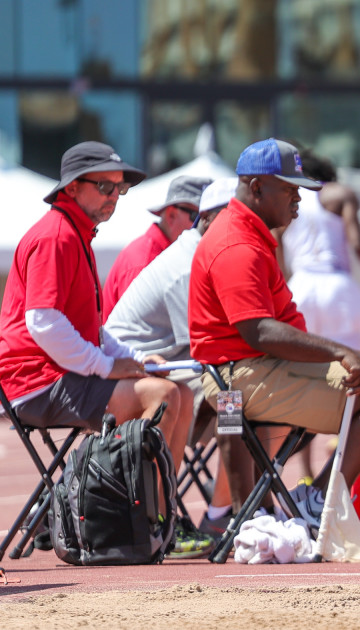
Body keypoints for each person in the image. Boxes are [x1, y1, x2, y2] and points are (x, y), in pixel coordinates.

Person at [0, 141, 211, 557]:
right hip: (35, 383)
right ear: (72, 188)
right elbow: (44, 322)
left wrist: (138, 360)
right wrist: (106, 365)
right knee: (164, 395)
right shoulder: (57, 235)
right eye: (105, 187)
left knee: (178, 391)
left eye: (119, 189)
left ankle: (162, 520)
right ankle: (144, 522)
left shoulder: (76, 234)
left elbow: (89, 327)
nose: (115, 196)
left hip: (53, 375)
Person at [188, 138, 360, 523]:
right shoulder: (236, 243)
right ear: (257, 187)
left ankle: (251, 509)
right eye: (290, 190)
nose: (299, 200)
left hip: (244, 373)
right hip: (240, 376)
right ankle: (317, 500)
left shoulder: (249, 234)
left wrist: (341, 351)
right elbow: (260, 332)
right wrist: (340, 352)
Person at [103, 176, 238, 534]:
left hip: (162, 365)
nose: (244, 231)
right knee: (236, 398)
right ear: (207, 219)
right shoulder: (188, 265)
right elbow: (206, 345)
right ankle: (212, 513)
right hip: (131, 372)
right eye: (237, 221)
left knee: (236, 395)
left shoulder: (201, 253)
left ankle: (221, 507)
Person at [282, 149, 360, 353]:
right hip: (335, 284)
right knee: (350, 360)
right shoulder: (339, 193)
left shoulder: (286, 201)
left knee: (305, 363)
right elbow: (358, 244)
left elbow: (275, 247)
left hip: (299, 286)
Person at [102, 175, 212, 319]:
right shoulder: (145, 261)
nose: (206, 225)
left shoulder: (170, 254)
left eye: (211, 218)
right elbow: (136, 332)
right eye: (197, 217)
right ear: (171, 215)